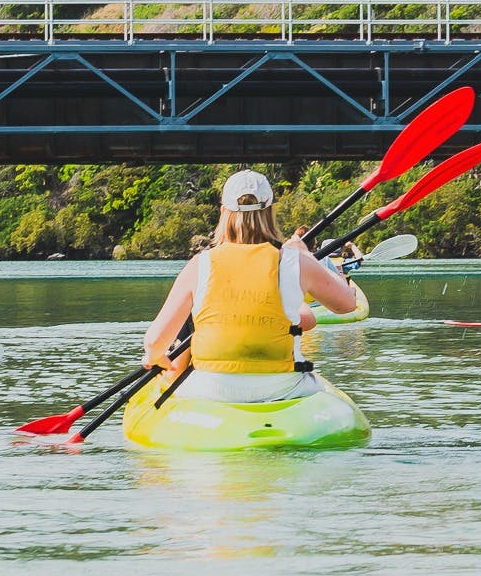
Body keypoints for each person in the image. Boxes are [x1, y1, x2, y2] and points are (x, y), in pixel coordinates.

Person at [141, 171, 360, 405]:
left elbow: (154, 343)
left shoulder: (200, 264)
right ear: (270, 212)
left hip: (210, 388)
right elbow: (347, 304)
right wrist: (305, 254)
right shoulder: (295, 260)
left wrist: (157, 358)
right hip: (284, 387)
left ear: (223, 212)